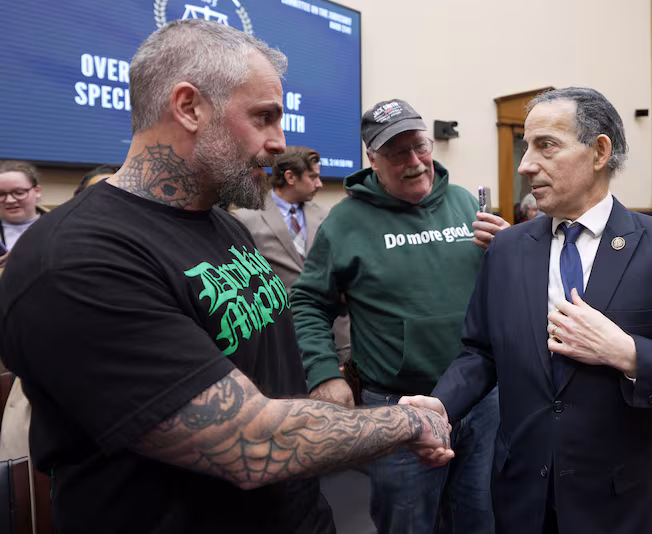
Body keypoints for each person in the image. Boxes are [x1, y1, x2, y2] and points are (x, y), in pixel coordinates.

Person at [0, 20, 452, 534]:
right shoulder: (76, 260)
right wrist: (409, 420)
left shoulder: (223, 225)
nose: (280, 143)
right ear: (189, 107)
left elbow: (270, 380)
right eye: (264, 117)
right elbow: (252, 443)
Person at [402, 87, 652, 534]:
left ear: (599, 151)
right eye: (526, 147)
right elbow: (480, 352)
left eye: (546, 146)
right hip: (520, 492)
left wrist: (628, 353)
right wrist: (441, 406)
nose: (525, 165)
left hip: (616, 501)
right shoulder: (506, 249)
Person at [292, 98, 508, 533]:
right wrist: (323, 372)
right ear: (372, 160)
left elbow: (496, 294)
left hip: (480, 403)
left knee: (480, 519)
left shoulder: (466, 204)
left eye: (420, 147)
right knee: (408, 524)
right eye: (396, 152)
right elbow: (309, 303)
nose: (414, 162)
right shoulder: (344, 224)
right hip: (398, 410)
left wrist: (508, 252)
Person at [233, 146, 350, 363]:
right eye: (313, 177)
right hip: (278, 339)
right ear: (290, 177)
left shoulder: (327, 215)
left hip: (332, 337)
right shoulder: (245, 219)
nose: (319, 184)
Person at [0, 160, 45, 269]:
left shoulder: (61, 229)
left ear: (37, 191)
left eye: (19, 193)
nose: (10, 200)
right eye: (1, 194)